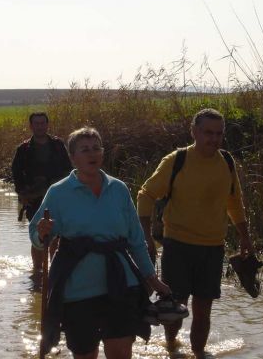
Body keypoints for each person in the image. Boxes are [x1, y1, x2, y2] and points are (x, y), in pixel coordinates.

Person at [30, 127, 172, 359]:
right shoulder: (58, 193)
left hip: (120, 285)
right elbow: (37, 236)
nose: (91, 154)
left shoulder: (118, 189)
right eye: (84, 150)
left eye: (96, 148)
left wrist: (152, 279)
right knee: (85, 354)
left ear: (103, 153)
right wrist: (42, 233)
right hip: (77, 291)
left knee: (121, 353)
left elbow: (136, 240)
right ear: (72, 157)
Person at [137, 108, 255, 359]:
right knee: (174, 308)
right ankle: (171, 348)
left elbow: (234, 202)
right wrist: (146, 237)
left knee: (204, 309)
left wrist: (245, 236)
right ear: (194, 132)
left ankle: (199, 353)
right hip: (177, 246)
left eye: (218, 133)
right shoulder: (176, 160)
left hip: (213, 247)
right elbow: (146, 194)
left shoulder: (227, 162)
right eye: (208, 133)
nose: (213, 139)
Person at [12, 112, 72, 272]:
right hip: (33, 199)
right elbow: (16, 175)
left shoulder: (58, 145)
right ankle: (37, 272)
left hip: (58, 197)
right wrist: (22, 194)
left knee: (56, 236)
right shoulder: (23, 149)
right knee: (38, 236)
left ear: (47, 125)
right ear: (31, 126)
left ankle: (53, 270)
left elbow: (68, 170)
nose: (40, 126)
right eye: (36, 123)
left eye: (42, 123)